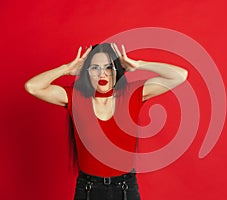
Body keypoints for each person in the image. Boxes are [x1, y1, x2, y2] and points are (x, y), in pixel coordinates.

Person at [25, 43, 188, 200]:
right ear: (87, 72)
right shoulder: (75, 98)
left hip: (125, 188)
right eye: (95, 68)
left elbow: (180, 75)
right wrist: (66, 69)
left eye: (109, 67)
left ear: (117, 70)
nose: (102, 74)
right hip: (88, 189)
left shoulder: (132, 94)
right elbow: (32, 86)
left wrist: (139, 64)